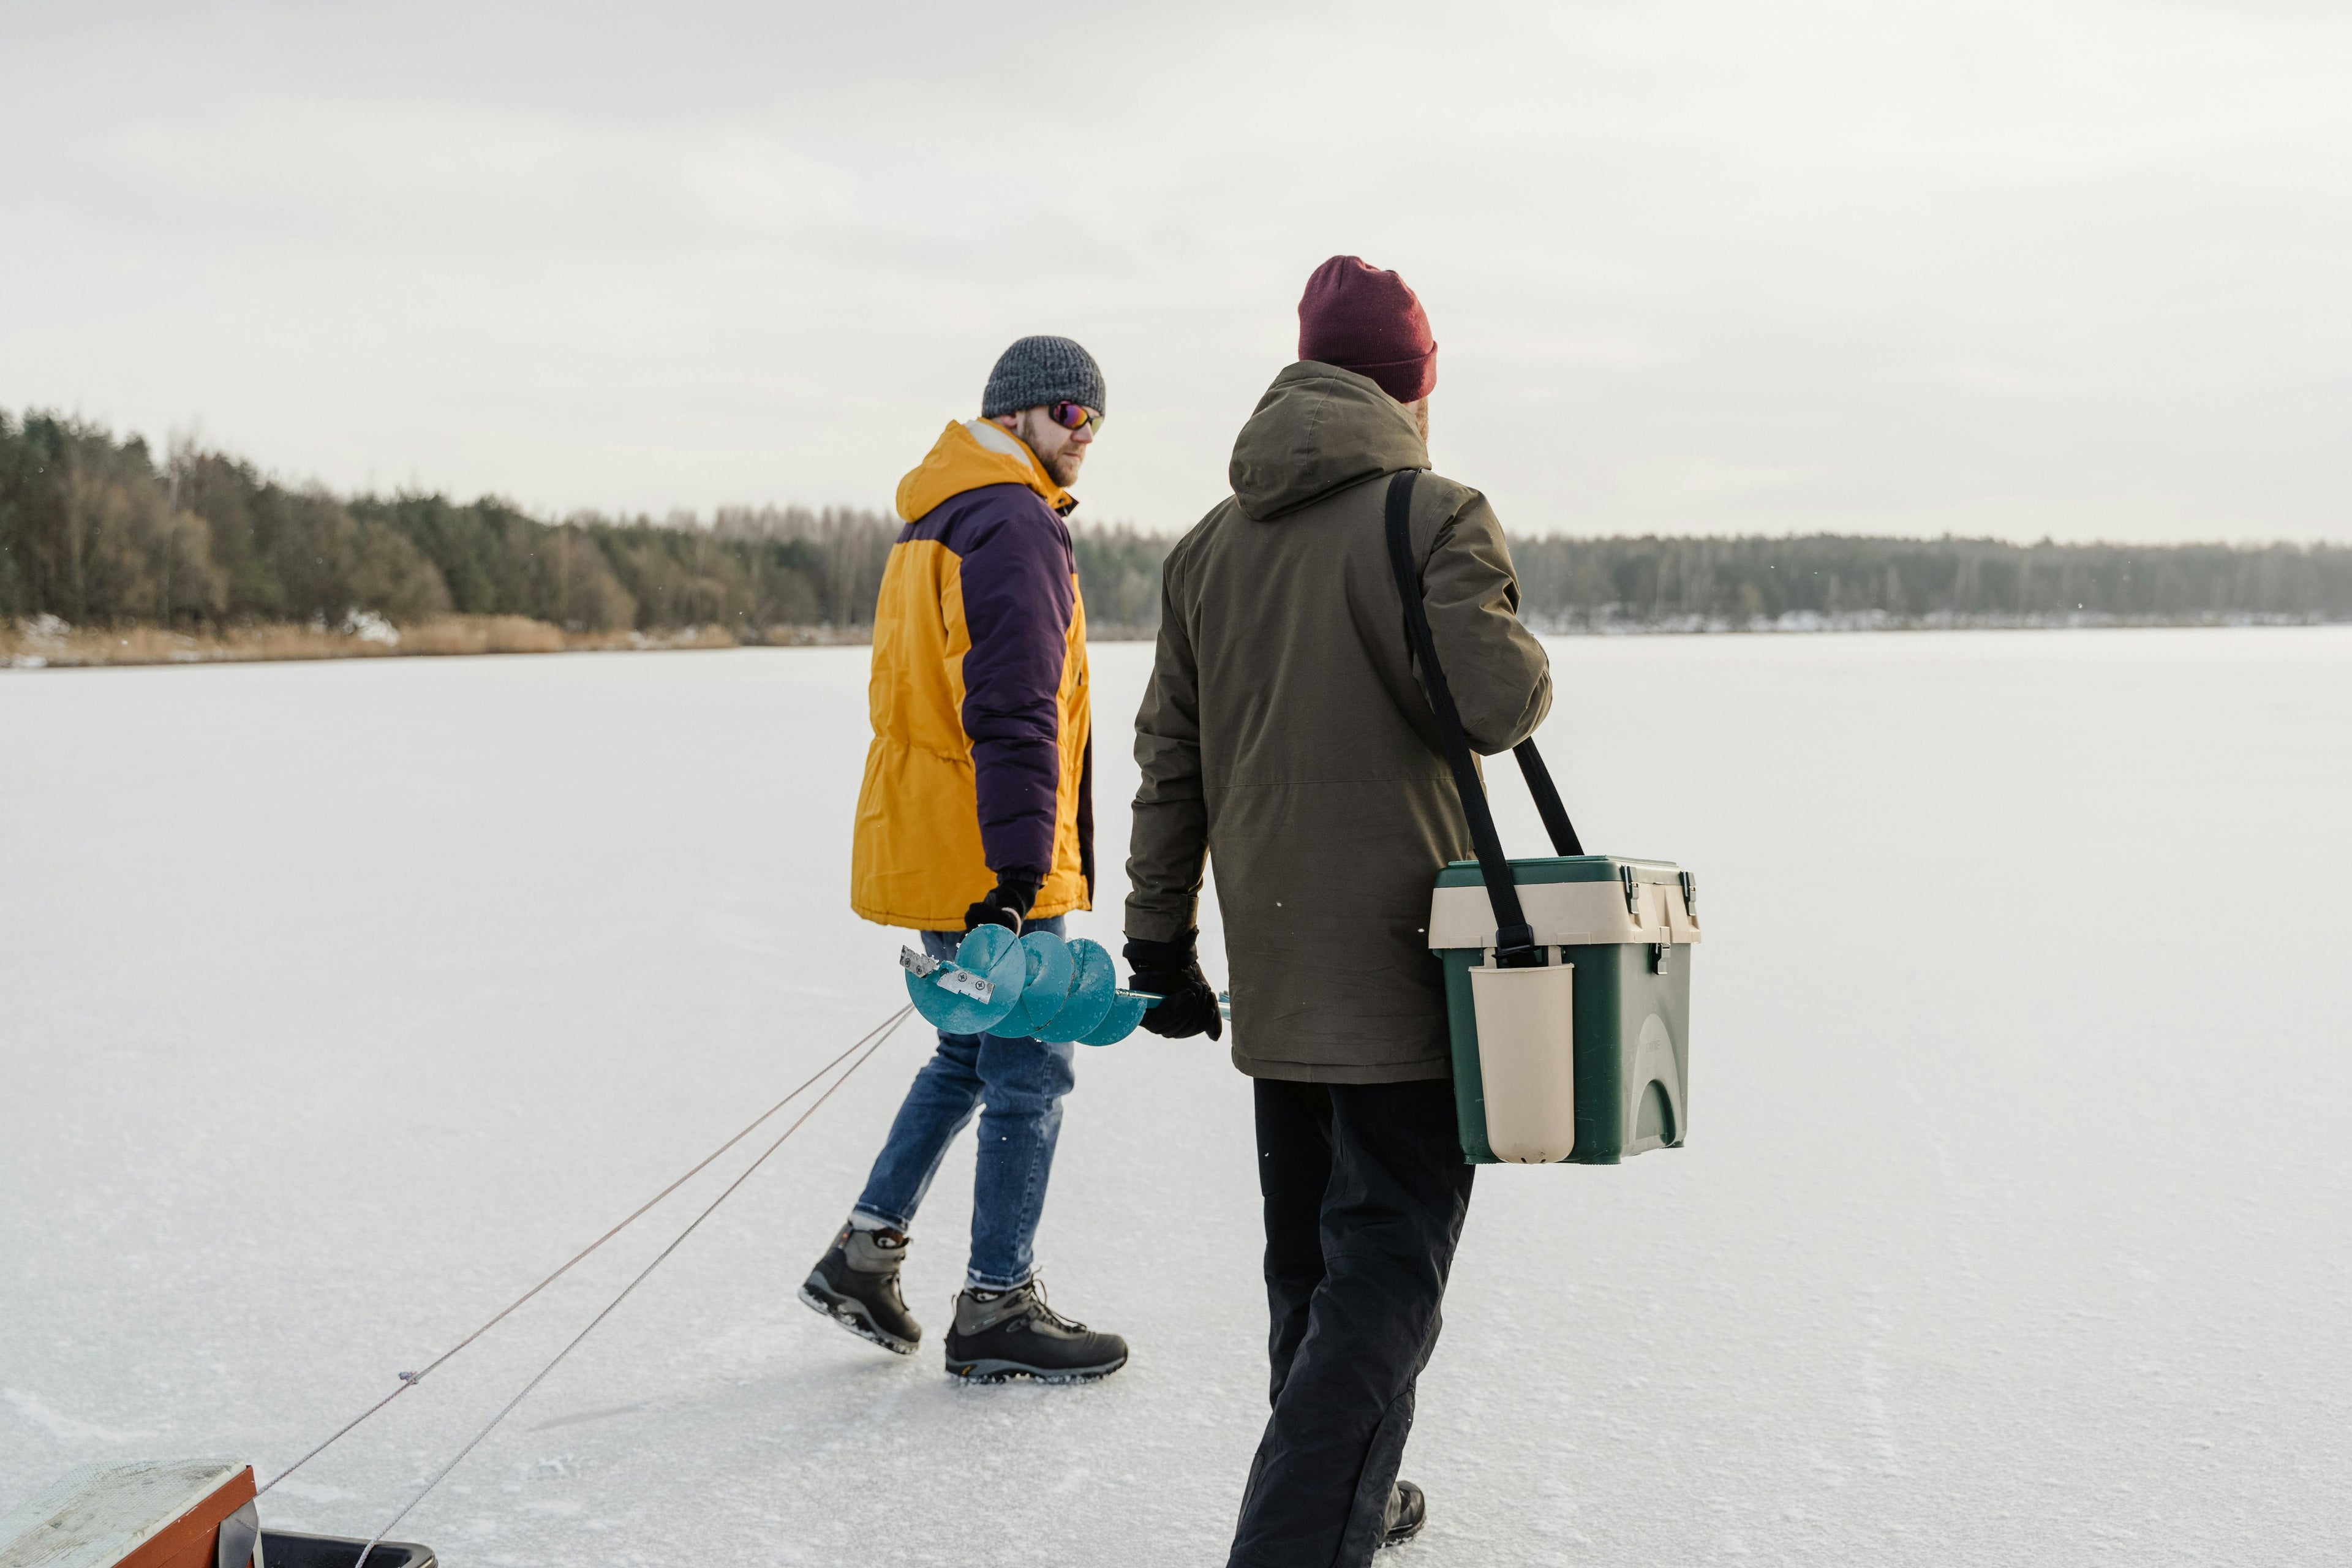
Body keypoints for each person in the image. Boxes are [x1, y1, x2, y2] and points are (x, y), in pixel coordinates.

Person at [1124, 257, 1551, 1562]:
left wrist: (1159, 938)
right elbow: (1497, 703)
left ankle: (1341, 1494)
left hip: (1277, 968)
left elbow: (1170, 759)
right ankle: (1302, 1536)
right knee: (1383, 1284)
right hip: (1414, 973)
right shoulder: (1436, 512)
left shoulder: (1209, 545)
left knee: (1311, 1265)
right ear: (1413, 386)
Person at [802, 334, 1129, 1383]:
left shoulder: (937, 514)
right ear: (1022, 413)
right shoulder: (1011, 521)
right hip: (993, 852)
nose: (1085, 437)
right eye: (1071, 415)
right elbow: (1015, 708)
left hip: (950, 837)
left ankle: (864, 1254)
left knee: (970, 1050)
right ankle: (997, 1305)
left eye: (1097, 420)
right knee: (1029, 1064)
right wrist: (1023, 874)